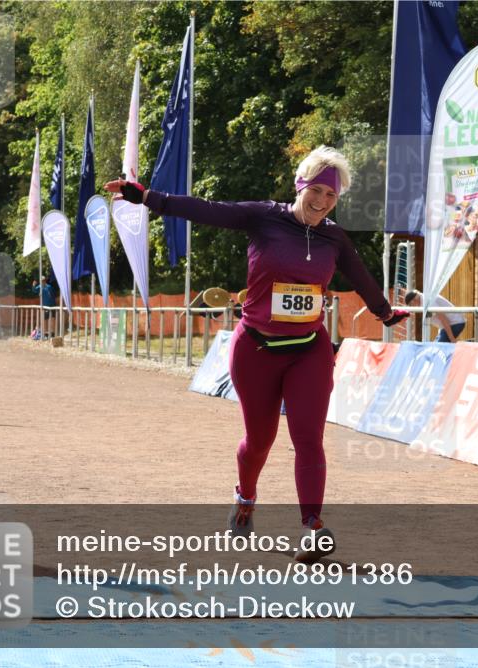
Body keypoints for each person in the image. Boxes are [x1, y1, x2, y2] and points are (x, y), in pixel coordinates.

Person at [105, 146, 407, 562]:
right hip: (256, 350)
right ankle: (245, 498)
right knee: (260, 440)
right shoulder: (263, 217)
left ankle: (312, 527)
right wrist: (147, 198)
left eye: (331, 196)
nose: (322, 201)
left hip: (308, 350)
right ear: (300, 185)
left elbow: (360, 276)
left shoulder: (334, 237)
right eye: (316, 190)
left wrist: (385, 312)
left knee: (309, 439)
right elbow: (206, 209)